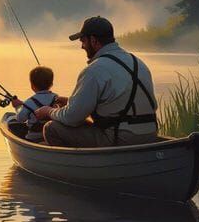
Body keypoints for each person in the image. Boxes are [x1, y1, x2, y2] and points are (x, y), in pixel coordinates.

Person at [34, 17, 158, 148]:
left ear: (93, 41)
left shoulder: (94, 69)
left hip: (120, 139)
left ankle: (77, 167)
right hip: (150, 135)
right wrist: (71, 102)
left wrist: (49, 111)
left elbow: (72, 118)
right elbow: (119, 102)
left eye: (83, 41)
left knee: (52, 128)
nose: (82, 46)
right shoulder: (138, 62)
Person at [10, 65, 60, 138]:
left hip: (33, 137)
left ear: (32, 86)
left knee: (10, 122)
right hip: (53, 136)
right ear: (51, 84)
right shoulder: (57, 98)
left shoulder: (29, 102)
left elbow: (20, 119)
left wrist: (18, 107)